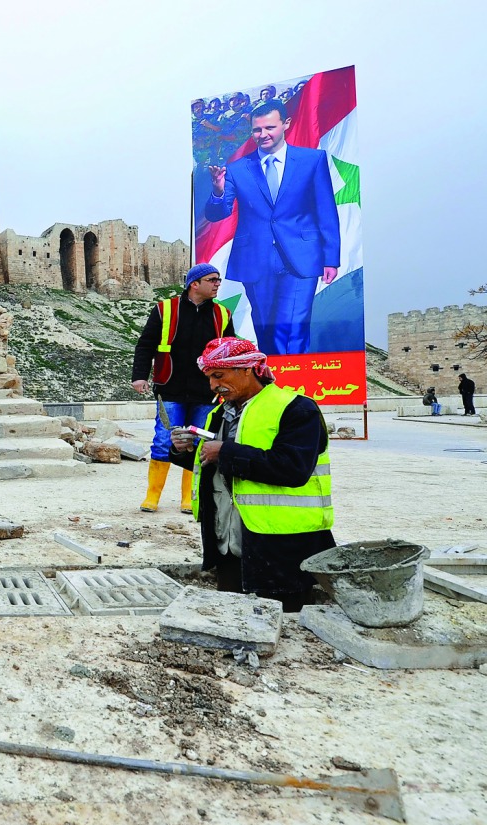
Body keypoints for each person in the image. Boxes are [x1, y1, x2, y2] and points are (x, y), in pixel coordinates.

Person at [170, 337, 335, 613]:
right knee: (235, 621)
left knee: (285, 628)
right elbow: (211, 467)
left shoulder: (296, 409)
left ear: (248, 369)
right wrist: (184, 450)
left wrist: (224, 453)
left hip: (283, 549)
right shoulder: (220, 414)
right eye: (210, 378)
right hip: (230, 543)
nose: (213, 385)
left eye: (219, 376)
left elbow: (294, 468)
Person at [205, 100, 340, 356]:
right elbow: (217, 213)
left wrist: (331, 258)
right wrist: (218, 190)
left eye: (269, 128)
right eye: (257, 130)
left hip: (302, 256)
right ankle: (276, 385)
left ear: (286, 124)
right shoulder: (236, 169)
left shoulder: (312, 160)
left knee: (293, 326)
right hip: (255, 259)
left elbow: (326, 211)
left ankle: (296, 387)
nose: (263, 135)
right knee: (266, 329)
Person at [132, 263, 235, 513]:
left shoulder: (222, 314)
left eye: (218, 280)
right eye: (212, 280)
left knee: (198, 444)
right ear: (194, 284)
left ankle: (189, 497)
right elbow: (145, 345)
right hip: (170, 388)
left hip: (206, 392)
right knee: (164, 440)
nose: (217, 284)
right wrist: (139, 376)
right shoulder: (165, 309)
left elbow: (229, 351)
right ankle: (152, 496)